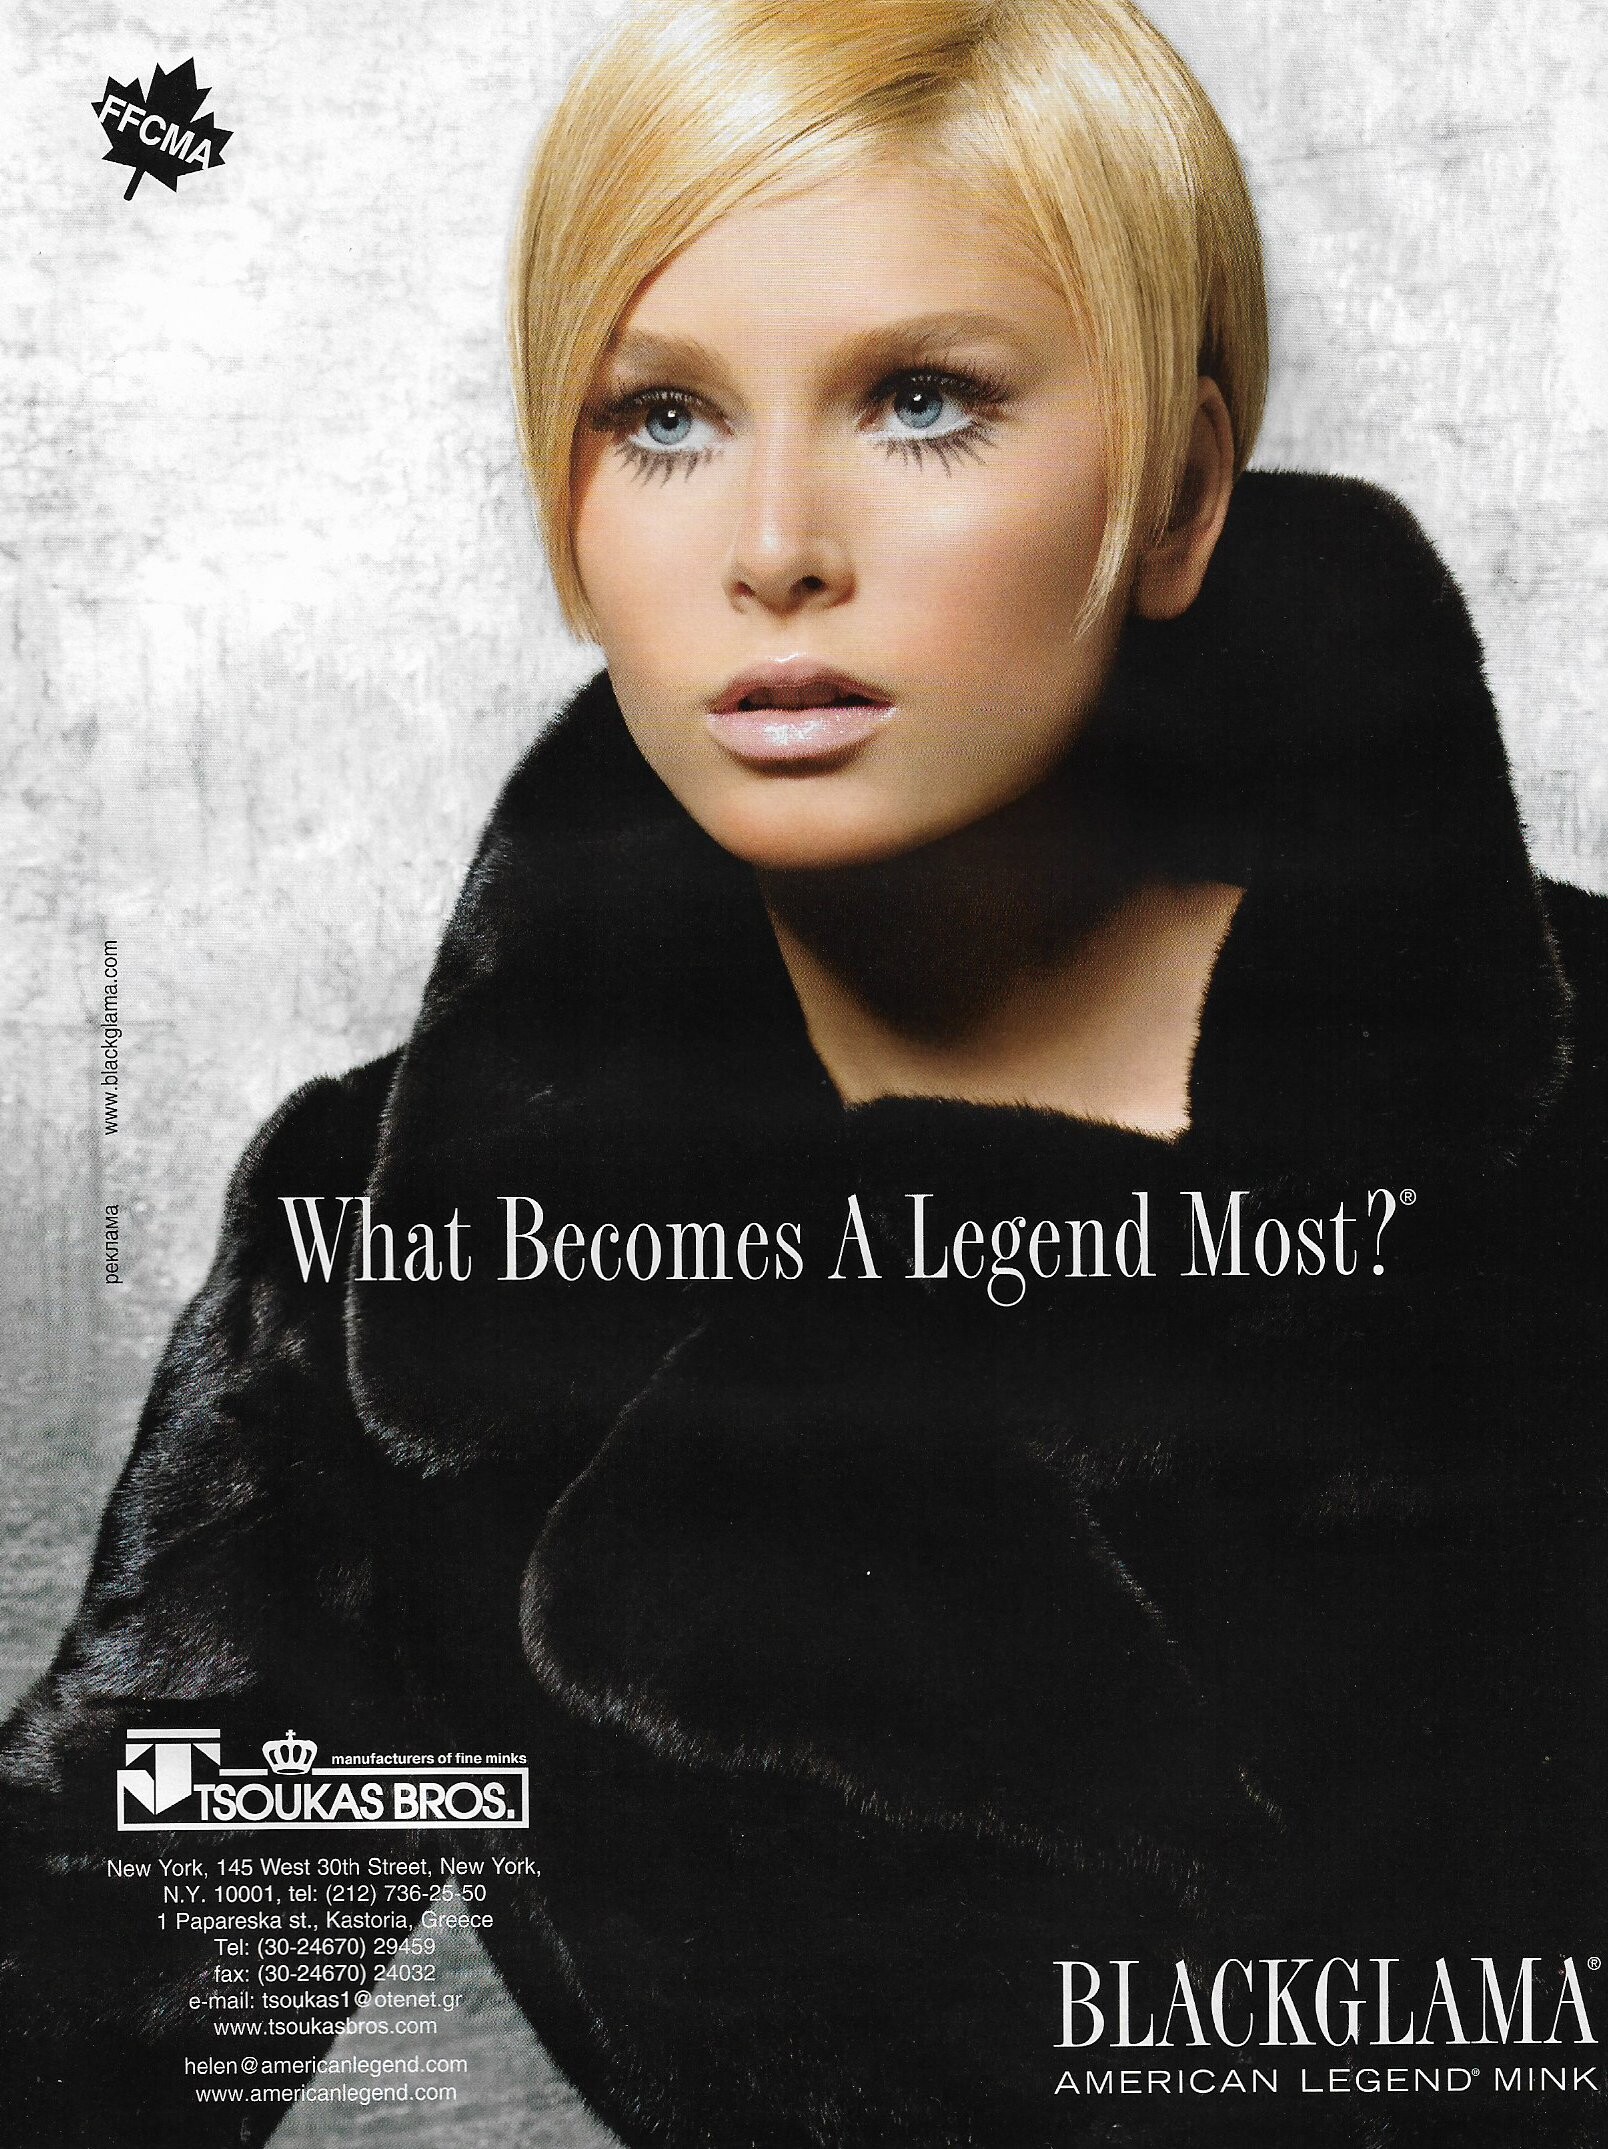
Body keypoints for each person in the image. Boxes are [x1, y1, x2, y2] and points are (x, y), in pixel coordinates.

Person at [3, 0, 1606, 2142]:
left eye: (921, 399)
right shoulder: (380, 1259)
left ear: (1180, 492)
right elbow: (88, 2028)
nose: (772, 543)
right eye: (660, 416)